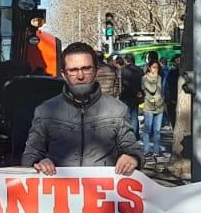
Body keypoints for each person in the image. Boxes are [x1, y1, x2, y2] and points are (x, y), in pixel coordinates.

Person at [23, 42, 143, 175]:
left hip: (104, 193)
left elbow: (132, 148)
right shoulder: (45, 111)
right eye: (73, 70)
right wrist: (39, 162)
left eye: (86, 69)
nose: (80, 76)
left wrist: (132, 157)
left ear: (96, 71)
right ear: (64, 74)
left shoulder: (118, 109)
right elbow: (30, 155)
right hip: (59, 191)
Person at [139, 61, 166, 160]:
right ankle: (146, 150)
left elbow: (160, 91)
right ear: (149, 68)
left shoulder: (159, 77)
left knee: (157, 130)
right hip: (149, 107)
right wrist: (154, 78)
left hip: (159, 106)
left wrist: (163, 101)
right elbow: (152, 89)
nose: (156, 69)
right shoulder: (145, 78)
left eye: (157, 67)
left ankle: (156, 151)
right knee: (147, 130)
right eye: (154, 67)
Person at [119, 54, 144, 132]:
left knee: (127, 116)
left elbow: (122, 84)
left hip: (126, 95)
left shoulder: (123, 70)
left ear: (126, 60)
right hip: (136, 95)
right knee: (134, 115)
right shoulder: (139, 70)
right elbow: (142, 83)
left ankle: (130, 133)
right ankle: (135, 134)